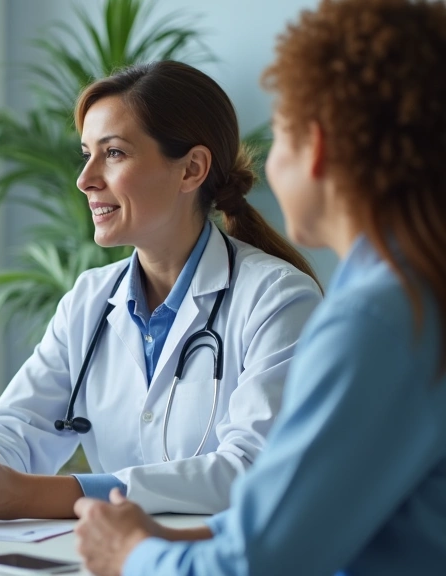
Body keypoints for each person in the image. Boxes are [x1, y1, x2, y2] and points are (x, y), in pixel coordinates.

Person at [72, 0, 446, 574]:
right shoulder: (416, 293)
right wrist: (191, 536)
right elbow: (301, 509)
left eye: (279, 137)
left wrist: (133, 556)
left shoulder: (377, 319)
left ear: (314, 146)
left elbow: (259, 562)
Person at [0, 61, 325, 523]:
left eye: (114, 153)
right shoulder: (89, 301)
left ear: (191, 169)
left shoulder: (278, 300)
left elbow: (250, 470)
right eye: (86, 153)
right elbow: (18, 424)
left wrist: (30, 496)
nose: (85, 179)